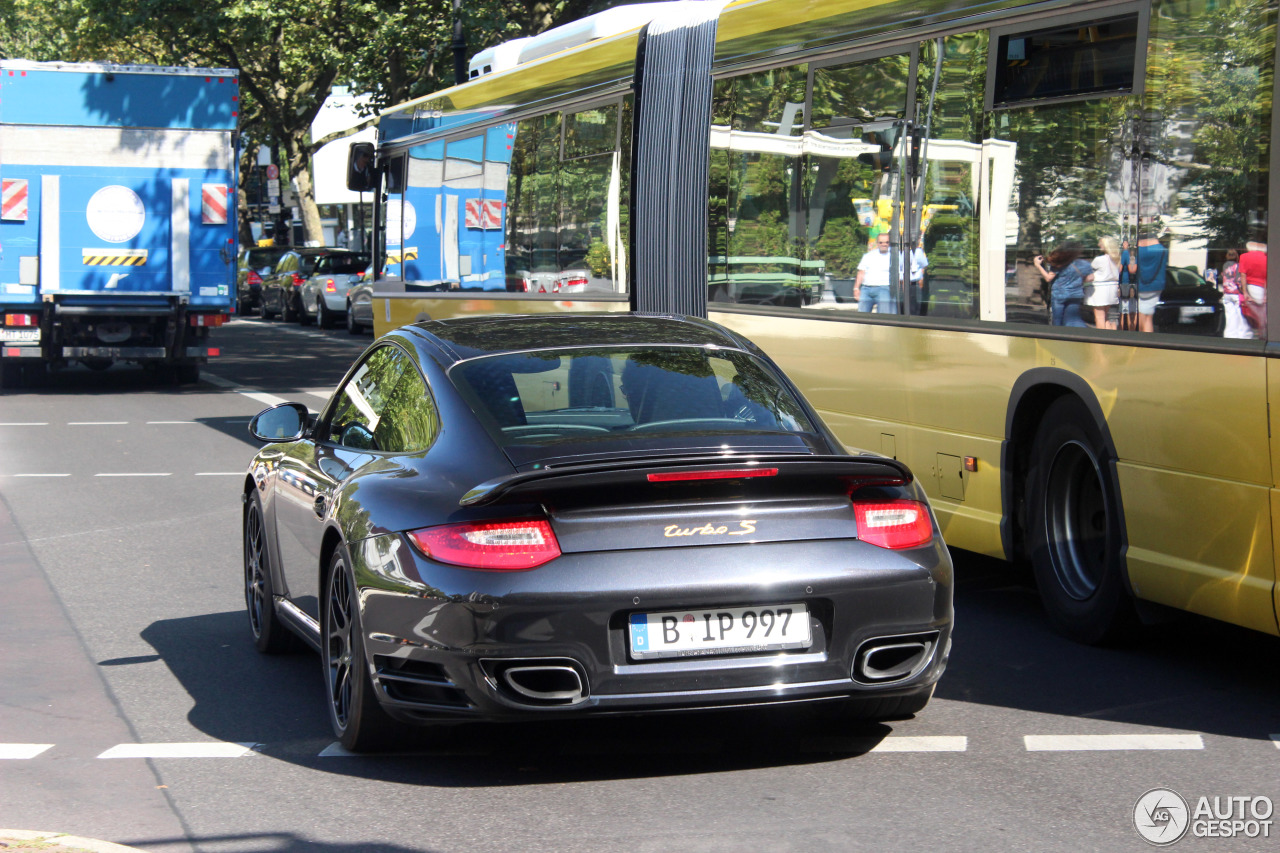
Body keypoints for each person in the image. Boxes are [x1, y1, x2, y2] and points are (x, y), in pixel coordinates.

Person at [1033, 242, 1093, 327]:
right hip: (1076, 294)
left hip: (1059, 294)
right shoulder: (1084, 264)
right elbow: (1090, 278)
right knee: (1072, 318)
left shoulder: (1059, 262)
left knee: (1057, 319)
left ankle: (1057, 335)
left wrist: (1038, 265)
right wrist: (1077, 280)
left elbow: (1048, 278)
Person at [854, 233, 898, 313]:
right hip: (866, 289)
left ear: (889, 243)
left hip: (884, 288)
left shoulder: (895, 256)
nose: (884, 244)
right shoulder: (868, 256)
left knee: (884, 317)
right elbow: (861, 272)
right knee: (861, 317)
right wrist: (856, 288)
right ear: (877, 243)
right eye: (881, 242)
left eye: (886, 242)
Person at [1134, 229, 1167, 333]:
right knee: (1149, 317)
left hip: (1140, 286)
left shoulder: (1137, 251)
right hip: (1157, 285)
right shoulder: (1162, 250)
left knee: (1140, 315)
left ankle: (1140, 341)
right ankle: (1148, 341)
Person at [1088, 236, 1122, 329]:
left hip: (1100, 289)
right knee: (1105, 317)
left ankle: (1101, 340)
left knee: (1099, 317)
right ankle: (1110, 338)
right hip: (1112, 288)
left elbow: (1089, 270)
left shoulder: (1100, 259)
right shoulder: (1117, 258)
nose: (1099, 245)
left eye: (1101, 243)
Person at [1220, 248, 1251, 339]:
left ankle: (1229, 335)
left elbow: (1223, 277)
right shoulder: (1238, 266)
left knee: (1230, 316)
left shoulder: (1225, 265)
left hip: (1227, 293)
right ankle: (1241, 336)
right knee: (1240, 316)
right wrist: (1244, 291)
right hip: (1236, 293)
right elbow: (1239, 280)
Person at [1239, 239, 1267, 336]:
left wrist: (1245, 292)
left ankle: (1260, 333)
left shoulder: (1244, 257)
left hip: (1252, 287)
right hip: (1263, 287)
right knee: (1262, 313)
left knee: (1258, 315)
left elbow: (1243, 275)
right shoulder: (1266, 257)